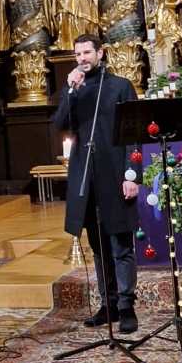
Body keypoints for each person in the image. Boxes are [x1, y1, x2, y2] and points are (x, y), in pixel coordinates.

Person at [52, 35, 141, 333]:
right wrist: (69, 91)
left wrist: (132, 175)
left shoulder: (120, 86)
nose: (82, 58)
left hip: (115, 174)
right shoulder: (75, 90)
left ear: (100, 53)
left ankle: (127, 305)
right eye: (78, 54)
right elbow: (60, 125)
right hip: (86, 177)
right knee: (99, 247)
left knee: (121, 245)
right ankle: (109, 304)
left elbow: (134, 133)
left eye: (87, 52)